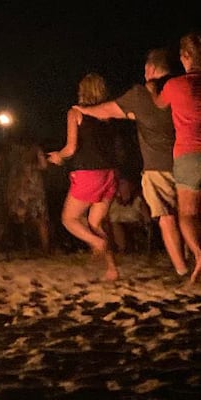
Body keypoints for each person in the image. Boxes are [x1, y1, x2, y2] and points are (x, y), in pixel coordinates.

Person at [74, 48, 187, 277]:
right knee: (190, 215)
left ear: (150, 69)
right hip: (187, 159)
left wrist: (82, 109)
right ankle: (194, 260)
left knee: (167, 218)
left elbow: (107, 110)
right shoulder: (182, 88)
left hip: (158, 165)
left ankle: (182, 270)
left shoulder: (140, 95)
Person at [48, 73, 120, 281]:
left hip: (88, 174)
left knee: (69, 219)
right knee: (95, 224)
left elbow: (71, 148)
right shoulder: (109, 114)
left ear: (82, 90)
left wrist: (58, 156)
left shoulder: (75, 112)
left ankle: (97, 244)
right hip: (110, 174)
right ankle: (112, 269)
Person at [155, 31, 201, 285]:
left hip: (188, 154)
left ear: (185, 56)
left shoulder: (175, 85)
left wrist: (153, 85)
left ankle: (198, 254)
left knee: (187, 214)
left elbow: (159, 105)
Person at [0, 138, 51, 255]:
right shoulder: (35, 149)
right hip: (33, 188)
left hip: (18, 188)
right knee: (40, 220)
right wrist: (33, 167)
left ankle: (20, 246)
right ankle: (45, 248)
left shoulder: (9, 149)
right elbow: (44, 165)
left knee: (18, 218)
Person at [107, 176, 150, 253]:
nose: (120, 187)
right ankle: (121, 249)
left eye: (123, 184)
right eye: (119, 184)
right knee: (115, 225)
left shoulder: (139, 200)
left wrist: (146, 223)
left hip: (135, 223)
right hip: (117, 224)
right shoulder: (111, 201)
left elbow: (147, 219)